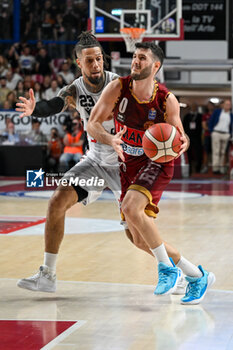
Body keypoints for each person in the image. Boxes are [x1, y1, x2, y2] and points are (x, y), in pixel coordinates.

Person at [16, 32, 184, 295]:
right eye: (89, 61)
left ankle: (183, 272)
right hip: (95, 161)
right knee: (57, 201)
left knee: (138, 239)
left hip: (126, 165)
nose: (96, 65)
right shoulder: (74, 89)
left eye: (99, 59)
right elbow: (55, 104)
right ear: (78, 63)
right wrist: (35, 110)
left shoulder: (118, 84)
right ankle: (47, 274)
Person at [87, 42, 215, 305]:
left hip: (156, 163)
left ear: (155, 66)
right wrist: (108, 139)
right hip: (128, 165)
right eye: (134, 56)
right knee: (137, 238)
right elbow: (93, 123)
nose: (135, 61)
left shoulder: (166, 100)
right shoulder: (118, 88)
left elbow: (181, 136)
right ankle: (196, 275)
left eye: (142, 58)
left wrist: (183, 143)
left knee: (132, 208)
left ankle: (166, 269)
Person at [209, 99, 233, 174]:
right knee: (216, 151)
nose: (227, 106)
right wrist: (211, 130)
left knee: (223, 152)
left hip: (226, 134)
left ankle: (221, 168)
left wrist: (230, 133)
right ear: (223, 105)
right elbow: (211, 121)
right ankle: (215, 168)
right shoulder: (217, 112)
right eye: (226, 104)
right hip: (216, 132)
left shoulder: (231, 115)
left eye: (229, 105)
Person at [183, 103, 203, 175]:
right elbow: (184, 126)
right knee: (189, 154)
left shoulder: (200, 116)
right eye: (193, 107)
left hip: (197, 137)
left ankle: (198, 168)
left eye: (195, 107)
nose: (194, 108)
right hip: (188, 137)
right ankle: (189, 169)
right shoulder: (187, 116)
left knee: (199, 153)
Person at [201, 101, 215, 174]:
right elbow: (204, 126)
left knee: (215, 152)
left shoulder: (216, 115)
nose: (210, 107)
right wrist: (211, 129)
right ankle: (205, 167)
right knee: (206, 152)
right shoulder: (205, 115)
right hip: (207, 135)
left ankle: (214, 167)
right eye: (208, 105)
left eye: (211, 105)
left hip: (215, 136)